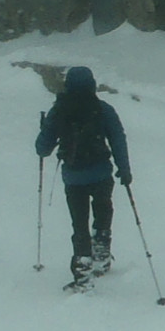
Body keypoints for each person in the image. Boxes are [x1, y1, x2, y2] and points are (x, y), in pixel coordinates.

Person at [34, 65, 130, 282]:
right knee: (103, 211)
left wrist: (44, 130)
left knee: (79, 223)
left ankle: (83, 268)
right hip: (101, 174)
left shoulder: (59, 110)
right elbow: (118, 139)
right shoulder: (103, 109)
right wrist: (124, 169)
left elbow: (42, 148)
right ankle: (102, 249)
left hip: (74, 177)